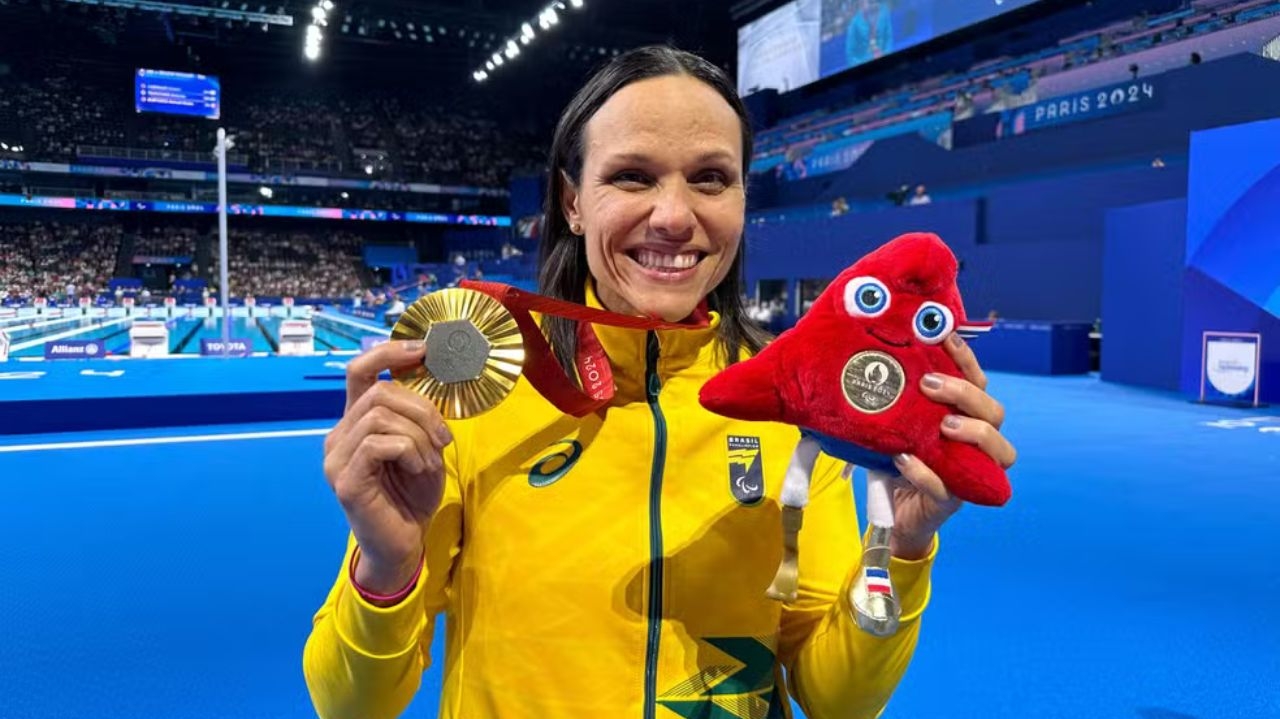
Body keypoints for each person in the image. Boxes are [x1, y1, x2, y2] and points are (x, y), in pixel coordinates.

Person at [304, 46, 1016, 719]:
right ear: (573, 201)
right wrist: (387, 564)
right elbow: (351, 706)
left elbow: (836, 700)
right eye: (632, 176)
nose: (674, 216)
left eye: (710, 178)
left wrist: (900, 546)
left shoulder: (801, 407)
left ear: (742, 199)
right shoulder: (475, 392)